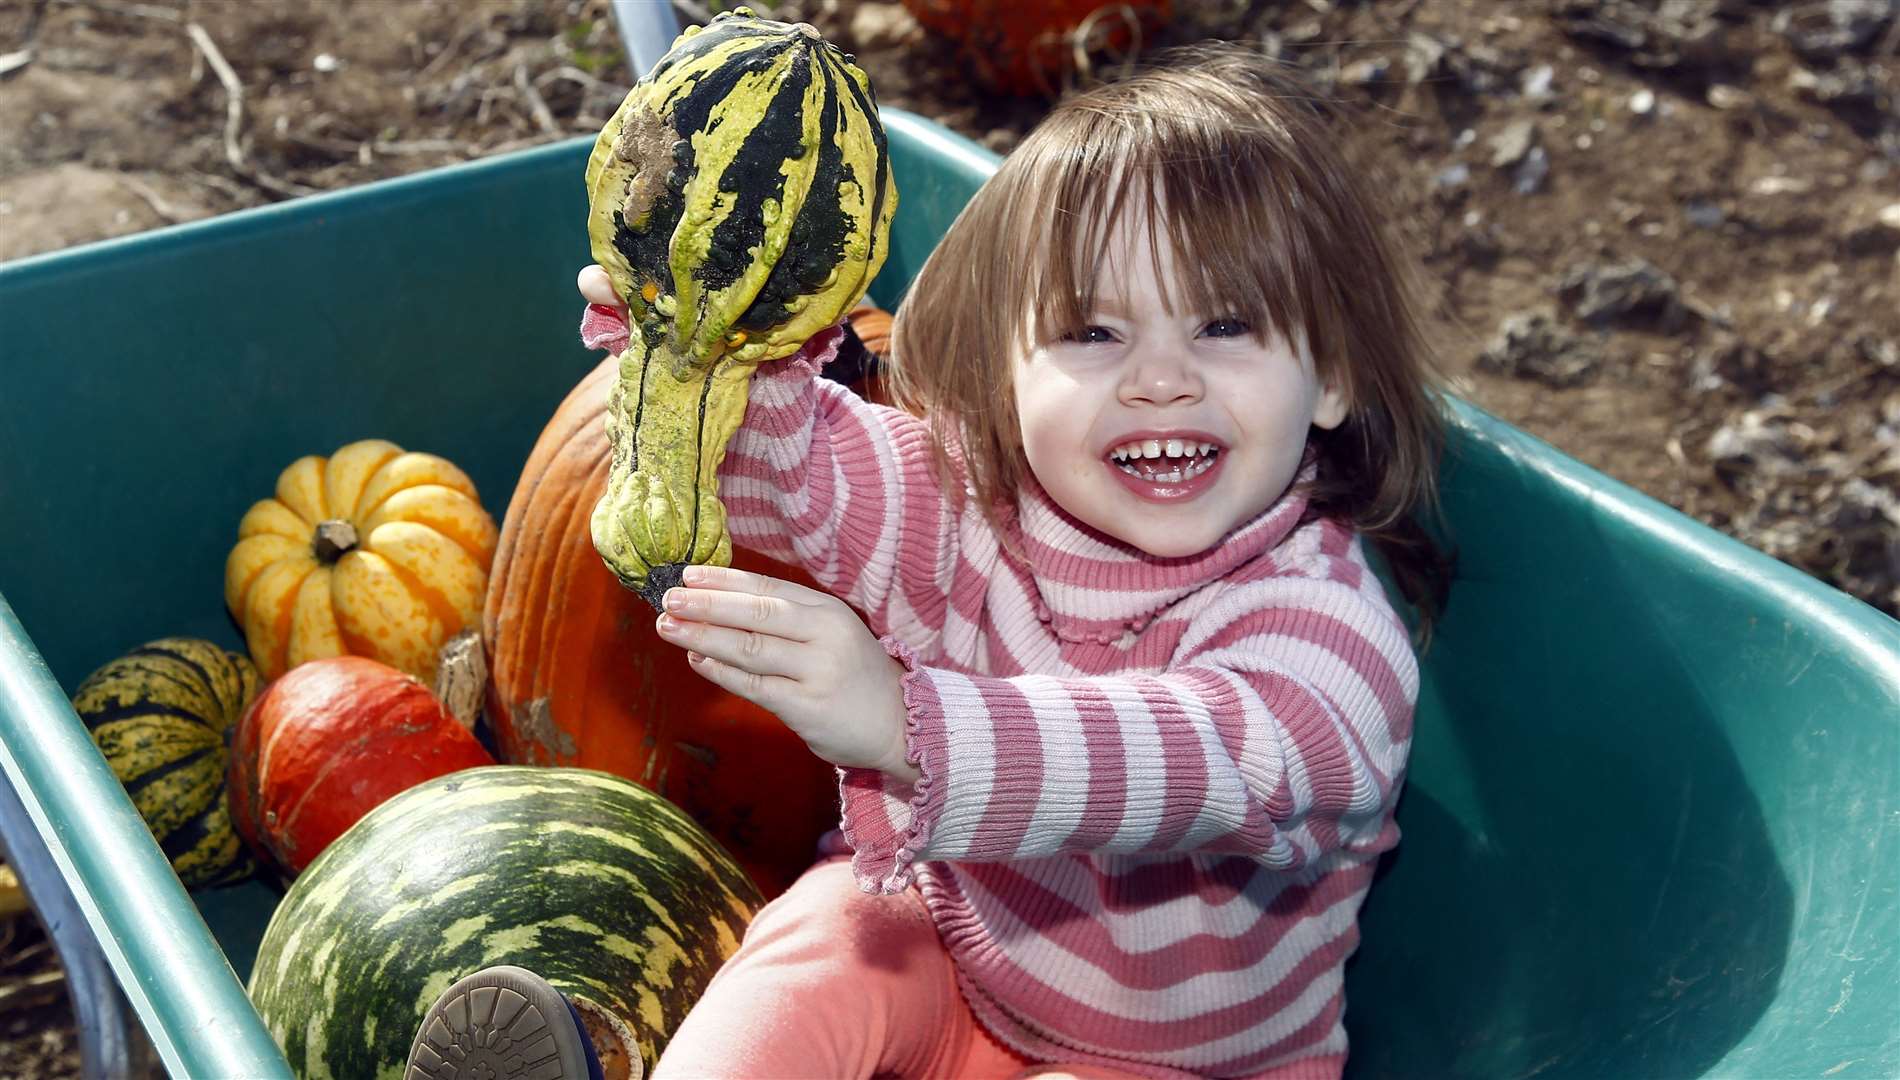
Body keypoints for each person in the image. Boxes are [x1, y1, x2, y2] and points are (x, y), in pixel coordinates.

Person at [409, 41, 1452, 1080]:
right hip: (947, 941)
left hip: (1189, 1068)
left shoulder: (1331, 641)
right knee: (819, 948)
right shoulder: (966, 504)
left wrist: (906, 723)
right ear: (1006, 376)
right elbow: (796, 461)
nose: (1159, 382)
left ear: (1330, 378)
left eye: (1225, 325)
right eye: (1093, 332)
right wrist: (696, 336)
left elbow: (1205, 761)